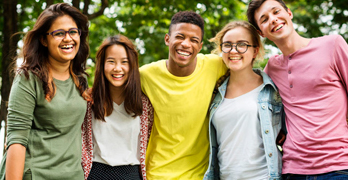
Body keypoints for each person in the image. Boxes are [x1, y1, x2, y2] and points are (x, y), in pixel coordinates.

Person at [247, 0, 348, 179]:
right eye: (265, 19)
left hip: (339, 166)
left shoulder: (332, 45)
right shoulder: (272, 68)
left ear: (289, 13)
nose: (274, 20)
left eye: (276, 12)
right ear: (261, 32)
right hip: (293, 171)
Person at [0, 3, 90, 180]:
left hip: (73, 176)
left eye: (73, 31)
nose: (68, 38)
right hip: (35, 174)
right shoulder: (28, 79)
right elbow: (17, 140)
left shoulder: (81, 80)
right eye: (59, 33)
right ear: (43, 40)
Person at [140, 11, 227, 179]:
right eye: (180, 37)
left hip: (200, 175)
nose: (186, 44)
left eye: (194, 40)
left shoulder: (215, 65)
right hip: (157, 173)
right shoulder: (145, 75)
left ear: (200, 46)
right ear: (167, 39)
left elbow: (247, 72)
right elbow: (111, 90)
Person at [203, 20, 283, 180]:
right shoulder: (215, 93)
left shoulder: (271, 90)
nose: (234, 50)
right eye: (227, 45)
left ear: (255, 51)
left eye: (242, 44)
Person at [81, 35, 153, 180]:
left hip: (132, 175)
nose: (117, 68)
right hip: (96, 174)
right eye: (111, 62)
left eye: (124, 62)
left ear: (132, 65)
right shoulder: (88, 101)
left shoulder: (145, 105)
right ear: (102, 65)